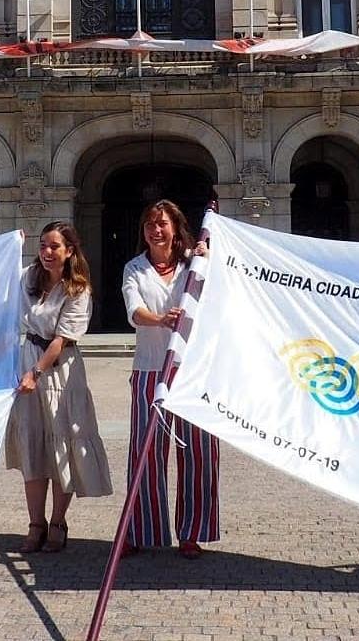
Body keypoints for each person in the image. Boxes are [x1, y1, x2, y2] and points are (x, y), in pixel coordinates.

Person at [119, 200, 220, 559]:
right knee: (145, 453)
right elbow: (134, 310)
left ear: (175, 228)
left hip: (192, 373)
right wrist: (160, 319)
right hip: (150, 368)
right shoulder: (135, 268)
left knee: (199, 453)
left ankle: (192, 532)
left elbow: (223, 290)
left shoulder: (195, 266)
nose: (155, 230)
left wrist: (211, 252)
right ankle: (139, 528)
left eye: (162, 224)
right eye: (149, 224)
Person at [4, 221, 113, 552]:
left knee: (60, 445)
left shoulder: (78, 290)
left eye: (54, 246)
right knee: (32, 446)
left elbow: (62, 339)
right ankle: (35, 523)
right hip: (29, 361)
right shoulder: (28, 278)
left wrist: (34, 373)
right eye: (42, 246)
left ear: (69, 251)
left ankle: (57, 522)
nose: (47, 252)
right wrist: (7, 249)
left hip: (60, 371)